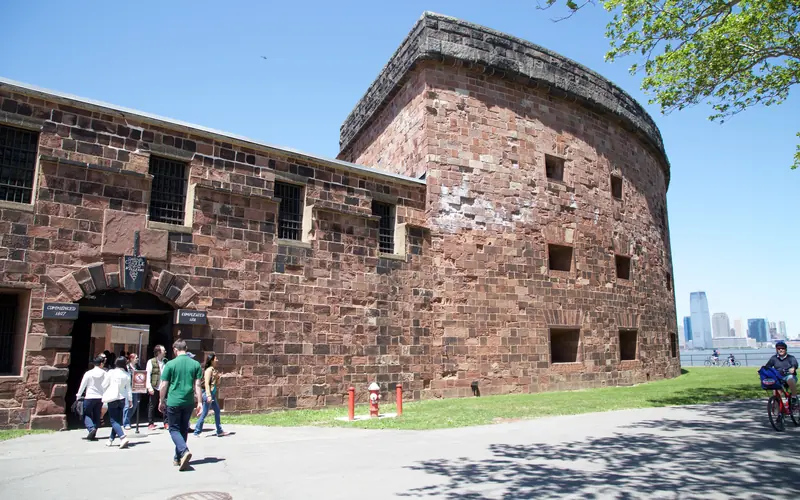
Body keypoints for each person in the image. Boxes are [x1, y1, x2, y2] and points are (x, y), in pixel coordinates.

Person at [159, 340, 203, 471]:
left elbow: (163, 385)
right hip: (188, 401)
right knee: (183, 429)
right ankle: (178, 458)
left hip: (173, 401)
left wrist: (161, 400)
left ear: (174, 349)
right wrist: (199, 402)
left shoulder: (170, 364)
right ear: (186, 348)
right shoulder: (195, 364)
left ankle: (183, 451)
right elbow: (198, 385)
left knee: (173, 429)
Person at [193, 353, 228, 437]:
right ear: (212, 360)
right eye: (216, 358)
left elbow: (216, 384)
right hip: (208, 394)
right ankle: (197, 431)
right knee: (204, 413)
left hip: (212, 394)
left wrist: (218, 378)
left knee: (217, 411)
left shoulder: (214, 370)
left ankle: (219, 431)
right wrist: (208, 395)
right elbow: (206, 384)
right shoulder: (208, 370)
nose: (217, 360)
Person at [102, 357, 133, 448]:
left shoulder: (111, 372)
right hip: (122, 398)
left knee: (113, 420)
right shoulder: (127, 374)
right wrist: (130, 400)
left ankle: (123, 437)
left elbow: (104, 384)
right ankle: (111, 439)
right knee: (117, 421)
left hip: (113, 397)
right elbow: (128, 389)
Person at [76, 356, 106, 440]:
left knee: (86, 413)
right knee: (97, 415)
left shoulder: (88, 373)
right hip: (100, 397)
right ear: (101, 364)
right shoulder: (104, 373)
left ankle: (91, 428)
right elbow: (107, 385)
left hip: (89, 396)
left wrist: (78, 395)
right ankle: (94, 432)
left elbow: (83, 385)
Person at [146, 345, 167, 430]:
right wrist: (149, 387)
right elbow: (148, 374)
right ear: (158, 352)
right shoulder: (151, 361)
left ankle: (166, 423)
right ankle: (151, 423)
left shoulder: (166, 362)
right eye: (163, 350)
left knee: (165, 404)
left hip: (163, 386)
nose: (165, 352)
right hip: (154, 386)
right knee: (152, 405)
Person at [123, 353, 140, 430]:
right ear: (131, 359)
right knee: (128, 405)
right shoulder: (127, 367)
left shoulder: (137, 367)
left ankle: (127, 418)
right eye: (136, 358)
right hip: (128, 388)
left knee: (135, 405)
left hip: (136, 388)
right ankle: (126, 422)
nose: (137, 359)